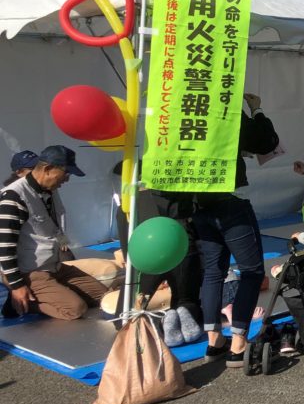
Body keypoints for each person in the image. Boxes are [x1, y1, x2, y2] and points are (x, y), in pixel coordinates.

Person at [194, 93, 280, 367]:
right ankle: (239, 341)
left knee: (213, 271)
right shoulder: (223, 103)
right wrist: (256, 109)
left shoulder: (186, 106)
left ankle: (214, 340)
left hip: (198, 201)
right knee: (252, 271)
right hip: (230, 200)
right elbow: (264, 141)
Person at [0, 146, 113, 320]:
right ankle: (21, 303)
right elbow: (4, 247)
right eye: (65, 173)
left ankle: (53, 291)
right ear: (47, 169)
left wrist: (63, 248)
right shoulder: (13, 197)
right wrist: (17, 285)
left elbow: (53, 225)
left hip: (54, 266)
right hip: (29, 272)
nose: (67, 179)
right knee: (76, 309)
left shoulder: (49, 190)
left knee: (103, 297)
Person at [111, 160, 203, 347]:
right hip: (182, 250)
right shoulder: (181, 194)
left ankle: (149, 325)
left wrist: (131, 263)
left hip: (146, 257)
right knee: (187, 300)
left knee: (128, 308)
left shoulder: (128, 206)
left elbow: (126, 238)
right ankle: (180, 315)